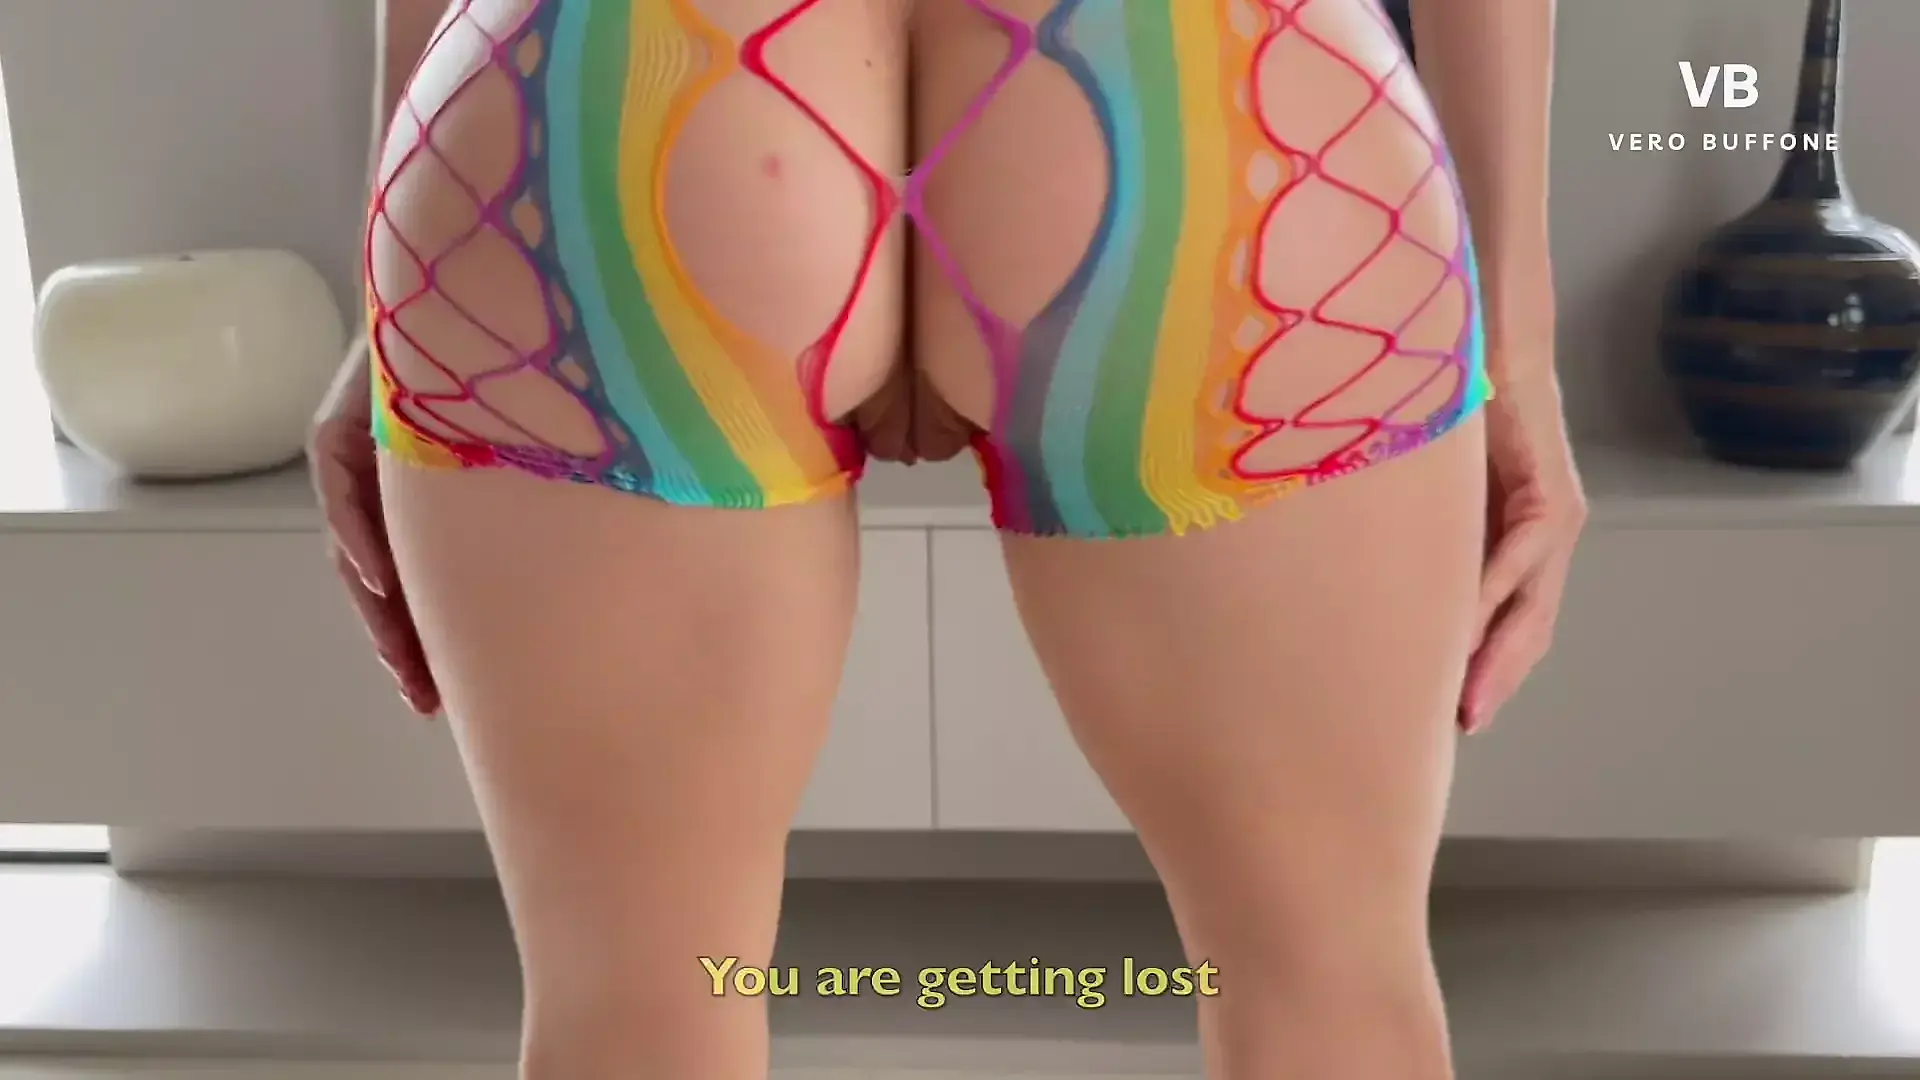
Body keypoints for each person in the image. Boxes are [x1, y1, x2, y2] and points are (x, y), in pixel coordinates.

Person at [310, 0, 1581, 1076]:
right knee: (1328, 986)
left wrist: (387, 304)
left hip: (617, 81)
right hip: (1190, 77)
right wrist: (1518, 358)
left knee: (631, 1000)